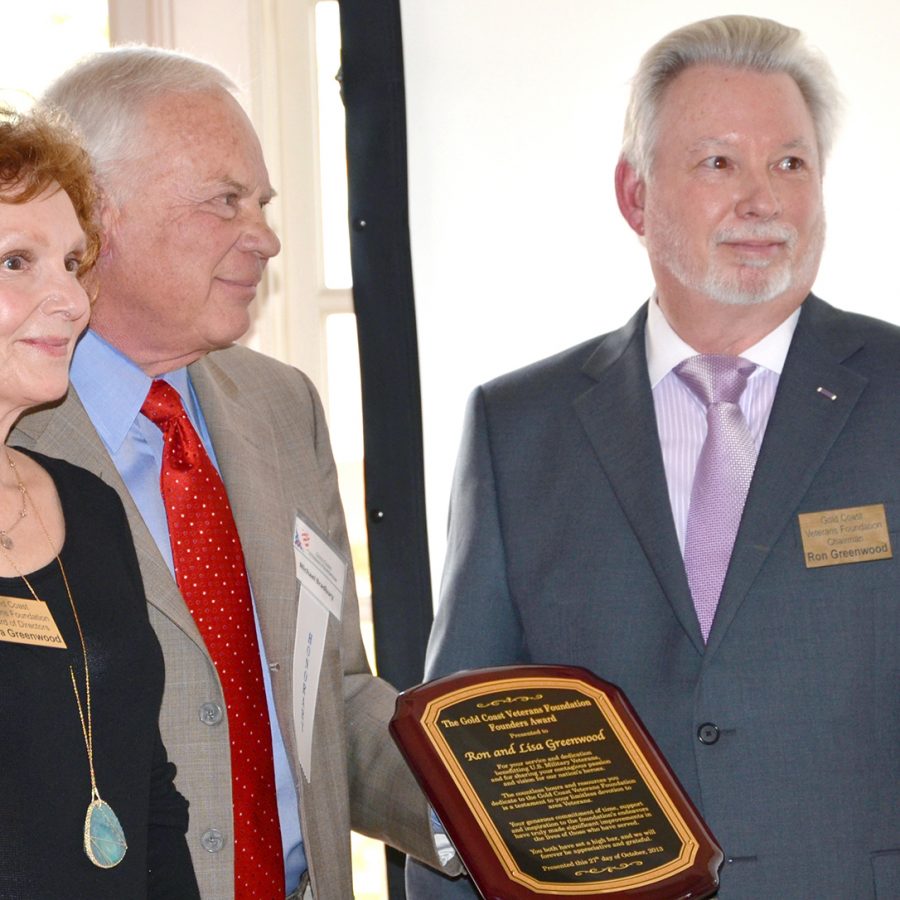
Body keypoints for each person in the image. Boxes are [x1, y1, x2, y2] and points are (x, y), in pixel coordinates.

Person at [406, 15, 899, 900]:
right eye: (719, 163)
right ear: (634, 195)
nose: (763, 200)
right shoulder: (518, 427)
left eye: (791, 163)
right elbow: (466, 755)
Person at [12, 47, 456, 900]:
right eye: (226, 201)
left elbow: (334, 697)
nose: (266, 236)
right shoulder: (18, 433)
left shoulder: (282, 408)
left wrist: (493, 816)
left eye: (262, 203)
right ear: (99, 215)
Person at [0, 107, 199, 897]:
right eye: (18, 261)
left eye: (72, 261)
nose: (72, 301)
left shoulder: (85, 503)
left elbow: (150, 802)